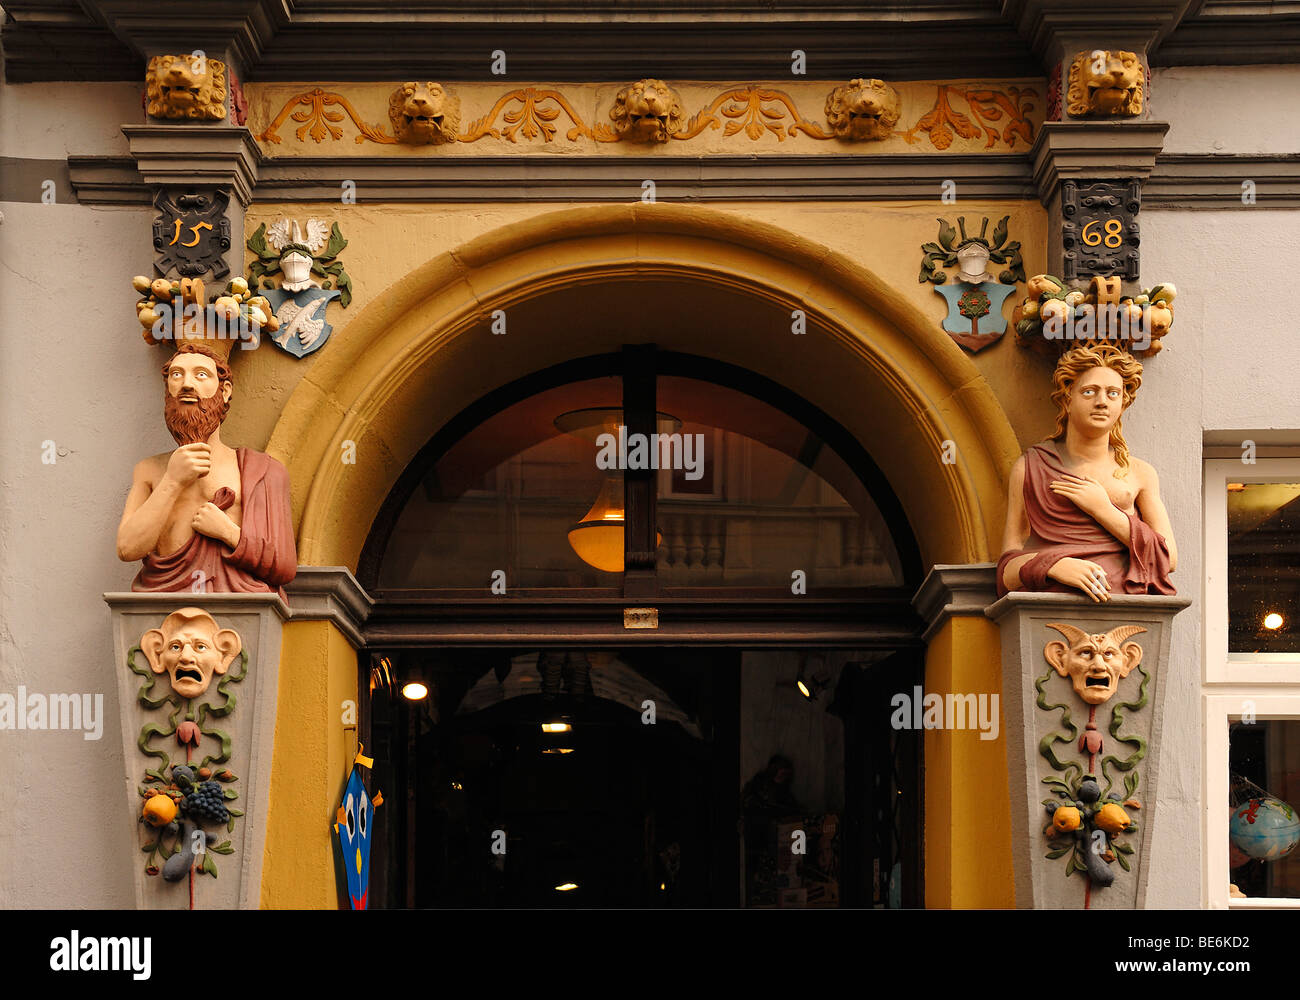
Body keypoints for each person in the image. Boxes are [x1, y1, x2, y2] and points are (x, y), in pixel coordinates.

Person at [997, 342, 1176, 600]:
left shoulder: (1139, 473)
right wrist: (1053, 565)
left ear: (1123, 404)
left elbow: (1168, 558)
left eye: (1113, 393)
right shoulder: (1031, 467)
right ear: (1067, 400)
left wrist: (1102, 509)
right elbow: (1006, 571)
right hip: (1049, 608)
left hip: (1126, 607)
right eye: (1090, 392)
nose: (1102, 402)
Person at [117, 343, 297, 596]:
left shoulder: (264, 472)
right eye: (176, 375)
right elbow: (127, 548)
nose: (187, 384)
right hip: (162, 609)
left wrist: (227, 531)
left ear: (224, 391)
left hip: (240, 611)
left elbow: (283, 566)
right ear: (167, 391)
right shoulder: (149, 470)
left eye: (201, 374)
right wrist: (173, 480)